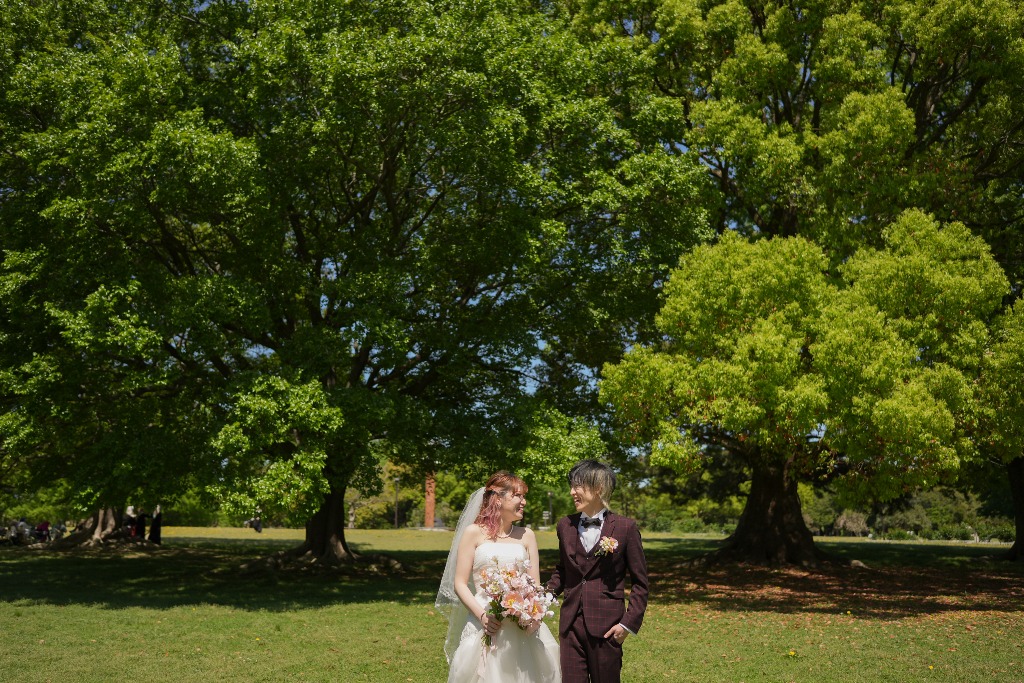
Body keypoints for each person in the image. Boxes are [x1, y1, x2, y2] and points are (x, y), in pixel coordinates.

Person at [436, 472, 560, 683]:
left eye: (523, 496)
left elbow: (535, 585)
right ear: (498, 499)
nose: (524, 502)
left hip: (522, 626)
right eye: (518, 496)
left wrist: (534, 615)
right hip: (484, 622)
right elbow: (460, 583)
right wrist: (482, 616)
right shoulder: (473, 533)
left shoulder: (527, 535)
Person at [547, 460, 649, 683]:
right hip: (570, 625)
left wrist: (626, 625)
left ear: (598, 488)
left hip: (607, 626)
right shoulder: (564, 525)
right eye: (572, 486)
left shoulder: (625, 528)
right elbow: (562, 571)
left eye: (578, 486)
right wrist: (543, 597)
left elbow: (641, 584)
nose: (572, 492)